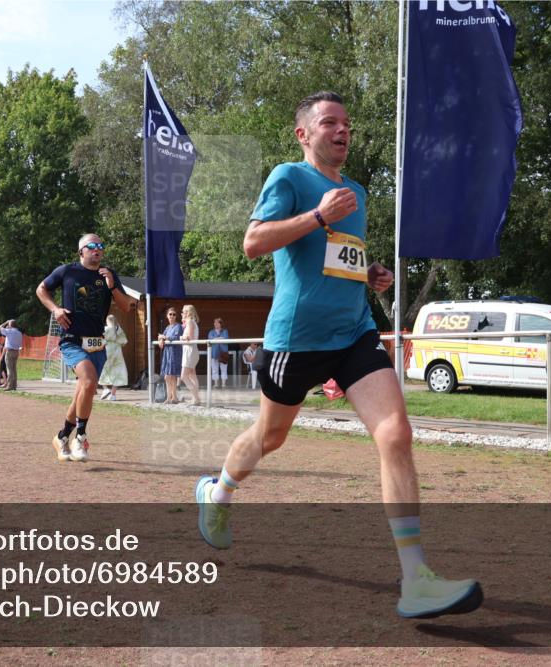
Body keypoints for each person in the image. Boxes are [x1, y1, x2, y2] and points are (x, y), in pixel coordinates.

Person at [194, 91, 482, 620]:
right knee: (270, 438)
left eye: (347, 123)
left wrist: (368, 273)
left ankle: (416, 578)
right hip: (296, 340)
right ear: (304, 134)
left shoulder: (358, 192)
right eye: (330, 122)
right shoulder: (289, 177)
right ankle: (218, 493)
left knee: (396, 434)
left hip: (354, 333)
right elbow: (253, 242)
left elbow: (336, 257)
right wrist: (317, 215)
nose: (342, 130)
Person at [36, 233, 132, 462]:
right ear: (81, 251)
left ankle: (61, 437)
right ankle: (80, 437)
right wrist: (55, 309)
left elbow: (126, 306)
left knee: (83, 392)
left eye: (101, 246)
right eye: (92, 246)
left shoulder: (108, 274)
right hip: (72, 340)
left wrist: (112, 287)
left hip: (97, 343)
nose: (97, 249)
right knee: (89, 382)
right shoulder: (67, 271)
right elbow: (41, 289)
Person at [98, 314, 128, 401]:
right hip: (117, 352)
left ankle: (105, 389)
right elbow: (124, 341)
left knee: (102, 369)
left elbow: (100, 340)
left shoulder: (105, 329)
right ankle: (113, 395)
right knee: (118, 371)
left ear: (107, 321)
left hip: (107, 350)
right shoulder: (118, 329)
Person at [157, 307, 183, 404]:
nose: (172, 316)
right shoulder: (167, 328)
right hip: (167, 352)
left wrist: (164, 337)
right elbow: (161, 336)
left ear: (176, 316)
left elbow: (175, 337)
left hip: (175, 352)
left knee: (170, 376)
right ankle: (171, 397)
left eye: (174, 314)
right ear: (167, 316)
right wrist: (161, 339)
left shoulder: (178, 326)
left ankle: (172, 397)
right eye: (170, 314)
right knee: (169, 376)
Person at [179, 304, 202, 404]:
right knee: (192, 376)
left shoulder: (190, 322)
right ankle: (195, 398)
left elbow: (190, 338)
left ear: (188, 313)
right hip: (191, 350)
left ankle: (196, 398)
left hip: (190, 351)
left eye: (183, 312)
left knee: (183, 376)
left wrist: (181, 337)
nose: (182, 314)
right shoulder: (191, 322)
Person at [0, 319, 23, 391]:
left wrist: (6, 322)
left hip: (9, 351)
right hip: (16, 351)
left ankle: (10, 385)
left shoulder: (9, 331)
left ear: (10, 325)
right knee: (14, 369)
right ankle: (14, 385)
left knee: (9, 369)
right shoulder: (19, 333)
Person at [207, 317, 230, 389]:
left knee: (224, 369)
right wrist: (220, 338)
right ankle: (216, 384)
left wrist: (216, 339)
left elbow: (226, 339)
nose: (215, 324)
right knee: (214, 369)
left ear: (220, 324)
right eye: (214, 323)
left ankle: (223, 384)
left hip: (223, 353)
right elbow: (210, 339)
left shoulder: (225, 331)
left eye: (217, 323)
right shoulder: (211, 332)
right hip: (214, 353)